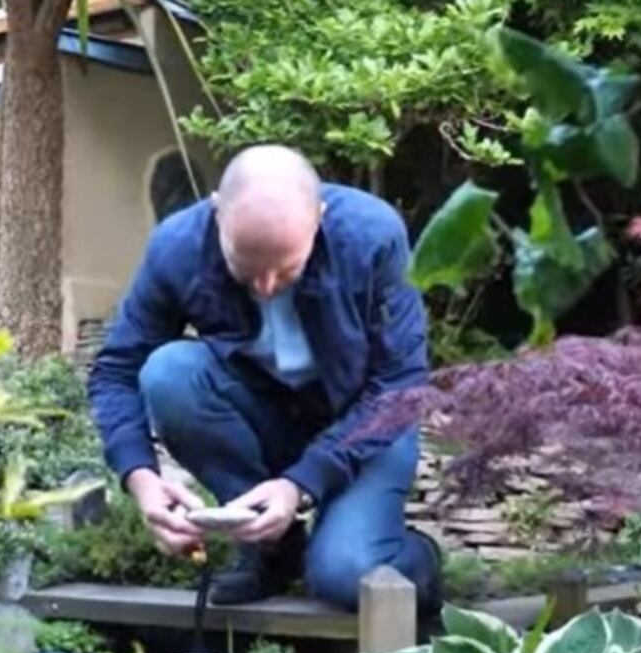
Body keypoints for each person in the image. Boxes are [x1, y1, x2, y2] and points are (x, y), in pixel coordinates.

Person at [87, 144, 442, 614]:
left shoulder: (371, 237)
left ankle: (412, 554)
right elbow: (117, 371)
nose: (267, 287)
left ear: (319, 217)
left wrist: (300, 483)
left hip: (368, 426)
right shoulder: (178, 247)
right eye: (247, 267)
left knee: (345, 576)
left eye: (287, 268)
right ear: (218, 215)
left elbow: (400, 387)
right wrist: (141, 478)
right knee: (170, 374)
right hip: (267, 413)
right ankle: (272, 548)